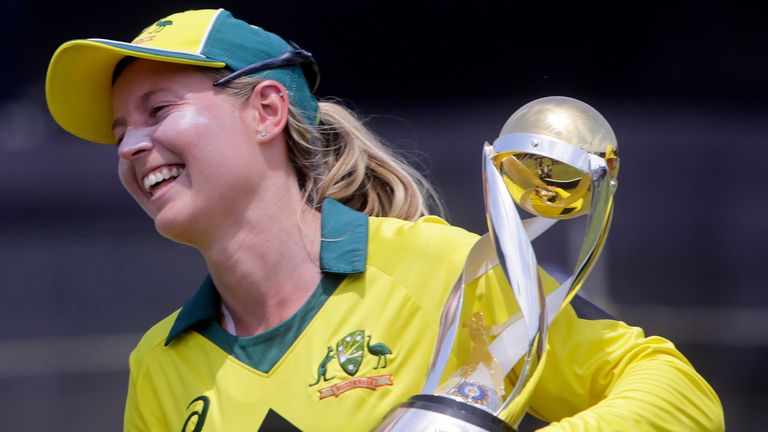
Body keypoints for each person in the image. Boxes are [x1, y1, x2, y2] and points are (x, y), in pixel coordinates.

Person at [45, 8, 724, 432]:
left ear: (266, 112)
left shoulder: (437, 270)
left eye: (159, 111)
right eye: (119, 131)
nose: (132, 145)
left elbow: (679, 396)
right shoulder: (158, 366)